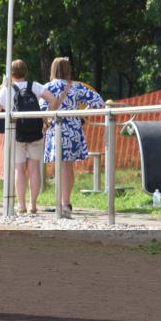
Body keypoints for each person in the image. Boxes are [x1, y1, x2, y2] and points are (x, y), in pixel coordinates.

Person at [0, 60, 56, 214]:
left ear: (10, 74)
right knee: (34, 168)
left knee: (19, 169)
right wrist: (48, 117)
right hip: (35, 132)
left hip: (16, 133)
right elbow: (53, 99)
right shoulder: (35, 86)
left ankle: (22, 205)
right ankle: (33, 205)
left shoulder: (6, 89)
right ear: (26, 72)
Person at [42, 57, 105, 219]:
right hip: (73, 129)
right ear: (68, 70)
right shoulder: (76, 87)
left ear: (53, 69)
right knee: (68, 167)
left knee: (59, 166)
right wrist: (83, 113)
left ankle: (60, 204)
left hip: (56, 128)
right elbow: (99, 102)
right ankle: (66, 202)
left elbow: (41, 109)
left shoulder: (47, 87)